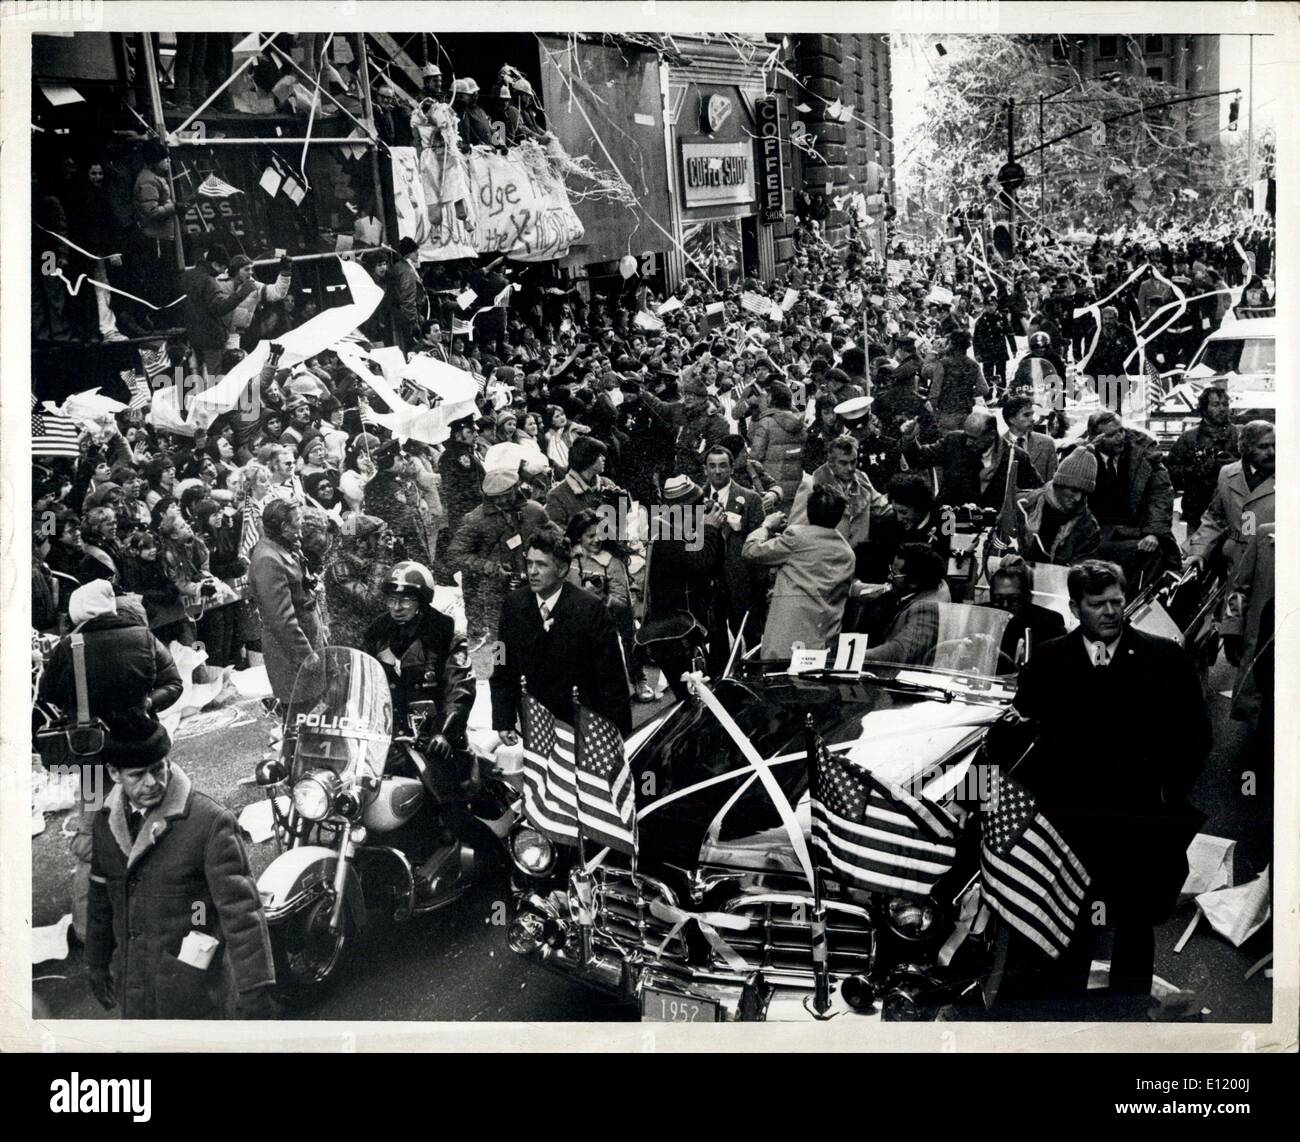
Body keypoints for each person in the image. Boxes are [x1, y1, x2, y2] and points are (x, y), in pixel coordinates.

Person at [1004, 560, 1210, 1019]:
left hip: (1139, 819)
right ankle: (1068, 1016)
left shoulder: (1164, 658)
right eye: (1099, 605)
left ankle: (1129, 1017)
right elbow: (1016, 737)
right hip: (1072, 821)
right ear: (1076, 607)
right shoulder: (1050, 660)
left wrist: (1167, 797)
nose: (1113, 612)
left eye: (1118, 601)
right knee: (1072, 922)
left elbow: (1195, 737)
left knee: (1135, 925)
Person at [84, 710, 278, 1019]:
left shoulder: (209, 822)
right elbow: (100, 898)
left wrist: (256, 988)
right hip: (134, 986)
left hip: (195, 992)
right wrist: (96, 962)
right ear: (113, 773)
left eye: (158, 769)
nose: (152, 783)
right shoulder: (105, 823)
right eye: (137, 775)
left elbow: (240, 909)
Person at [37, 579, 184, 943]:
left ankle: (90, 930)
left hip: (89, 756)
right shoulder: (143, 636)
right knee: (161, 822)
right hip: (141, 749)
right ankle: (168, 911)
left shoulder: (68, 647)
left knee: (91, 833)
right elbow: (174, 683)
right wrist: (148, 703)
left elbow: (48, 694)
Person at [491, 525, 632, 741]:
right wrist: (503, 720)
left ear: (562, 570)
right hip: (535, 725)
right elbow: (501, 666)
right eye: (529, 563)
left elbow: (613, 681)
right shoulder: (512, 606)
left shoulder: (591, 610)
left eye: (541, 565)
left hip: (581, 729)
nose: (532, 572)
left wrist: (619, 737)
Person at [741, 485, 861, 661]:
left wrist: (766, 526)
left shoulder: (796, 537)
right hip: (823, 640)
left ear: (808, 511)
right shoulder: (847, 553)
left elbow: (750, 550)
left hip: (788, 640)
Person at [639, 476, 728, 700]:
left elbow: (715, 566)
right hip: (675, 636)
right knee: (694, 698)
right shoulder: (667, 536)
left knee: (700, 695)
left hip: (686, 629)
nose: (702, 510)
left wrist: (714, 531)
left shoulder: (683, 532)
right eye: (698, 506)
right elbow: (700, 564)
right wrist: (709, 529)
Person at [447, 469, 549, 647]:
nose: (501, 501)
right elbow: (455, 554)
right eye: (495, 497)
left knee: (537, 636)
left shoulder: (534, 511)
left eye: (505, 495)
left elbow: (554, 539)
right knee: (500, 641)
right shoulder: (475, 519)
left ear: (516, 488)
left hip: (532, 586)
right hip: (494, 593)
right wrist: (489, 566)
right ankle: (501, 672)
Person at [564, 509, 650, 702]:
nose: (597, 540)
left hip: (608, 619)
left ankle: (638, 679)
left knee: (628, 637)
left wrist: (602, 596)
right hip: (576, 617)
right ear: (578, 537)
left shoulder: (612, 562)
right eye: (590, 536)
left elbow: (622, 603)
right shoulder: (569, 557)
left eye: (600, 534)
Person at [1082, 410, 1177, 586]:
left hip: (1138, 530)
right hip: (1096, 535)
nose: (1120, 437)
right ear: (1096, 438)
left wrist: (1154, 533)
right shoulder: (1082, 456)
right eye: (1111, 435)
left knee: (1156, 554)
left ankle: (1134, 607)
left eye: (1121, 430)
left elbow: (1161, 494)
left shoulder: (1145, 454)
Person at [247, 499, 324, 708]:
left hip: (307, 639)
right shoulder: (267, 560)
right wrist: (306, 656)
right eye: (298, 521)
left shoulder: (286, 546)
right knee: (302, 715)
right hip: (291, 655)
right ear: (284, 527)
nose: (302, 526)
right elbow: (281, 619)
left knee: (318, 710)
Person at [1183, 420, 1274, 580]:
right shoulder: (1227, 474)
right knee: (1234, 603)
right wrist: (1198, 551)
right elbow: (1215, 518)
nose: (1272, 452)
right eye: (1263, 447)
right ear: (1246, 448)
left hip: (1272, 558)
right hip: (1235, 560)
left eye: (1274, 445)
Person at [900, 410, 1041, 512]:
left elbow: (1036, 491)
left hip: (989, 527)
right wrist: (909, 439)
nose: (967, 442)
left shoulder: (1015, 456)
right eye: (966, 435)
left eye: (973, 438)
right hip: (949, 520)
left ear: (991, 435)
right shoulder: (953, 441)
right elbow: (919, 459)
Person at [701, 444, 769, 650]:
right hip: (709, 582)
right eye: (712, 466)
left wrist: (758, 587)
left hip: (741, 581)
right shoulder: (692, 499)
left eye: (722, 466)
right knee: (715, 639)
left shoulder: (750, 499)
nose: (717, 471)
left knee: (751, 635)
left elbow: (760, 544)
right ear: (705, 469)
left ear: (732, 468)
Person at [1165, 386, 1240, 535]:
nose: (1222, 409)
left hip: (1237, 510)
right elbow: (1171, 473)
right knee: (1195, 553)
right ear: (1204, 409)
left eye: (1225, 404)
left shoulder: (1240, 435)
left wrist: (1234, 465)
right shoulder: (1189, 438)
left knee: (1242, 549)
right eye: (1216, 404)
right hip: (1198, 512)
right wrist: (1201, 469)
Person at [1013, 446, 1102, 566]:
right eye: (1074, 490)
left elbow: (1082, 571)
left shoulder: (1088, 527)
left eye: (1084, 493)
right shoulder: (1022, 505)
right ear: (1059, 483)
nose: (1078, 498)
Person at [859, 543, 946, 665]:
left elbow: (901, 651)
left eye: (894, 572)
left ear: (914, 581)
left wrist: (855, 656)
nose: (889, 576)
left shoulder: (927, 608)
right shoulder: (919, 591)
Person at [179, 244, 256, 377]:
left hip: (192, 336)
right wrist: (242, 293)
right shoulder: (208, 281)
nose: (223, 272)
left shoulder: (186, 276)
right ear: (214, 264)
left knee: (196, 376)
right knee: (215, 378)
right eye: (222, 268)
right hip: (211, 337)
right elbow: (219, 308)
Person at [984, 554, 1066, 669]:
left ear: (1028, 597)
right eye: (998, 599)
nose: (1005, 605)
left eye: (1013, 599)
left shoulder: (1049, 622)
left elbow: (1054, 667)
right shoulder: (979, 616)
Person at [543, 435, 625, 529]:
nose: (604, 458)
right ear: (587, 458)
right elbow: (557, 533)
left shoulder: (607, 484)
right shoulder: (556, 495)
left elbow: (621, 527)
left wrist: (622, 506)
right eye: (599, 455)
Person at [748, 382, 806, 505]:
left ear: (773, 399)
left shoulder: (766, 422)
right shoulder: (799, 422)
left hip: (773, 487)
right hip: (796, 483)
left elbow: (755, 456)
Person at [1000, 394, 1058, 483]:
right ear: (1012, 419)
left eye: (1032, 414)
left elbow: (1052, 483)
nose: (1033, 419)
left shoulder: (1047, 443)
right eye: (1026, 415)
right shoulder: (998, 446)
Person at [387, 236, 427, 353]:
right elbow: (408, 298)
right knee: (412, 350)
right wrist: (413, 321)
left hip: (400, 315)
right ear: (410, 252)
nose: (418, 254)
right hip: (408, 319)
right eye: (415, 251)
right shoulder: (406, 270)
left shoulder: (399, 267)